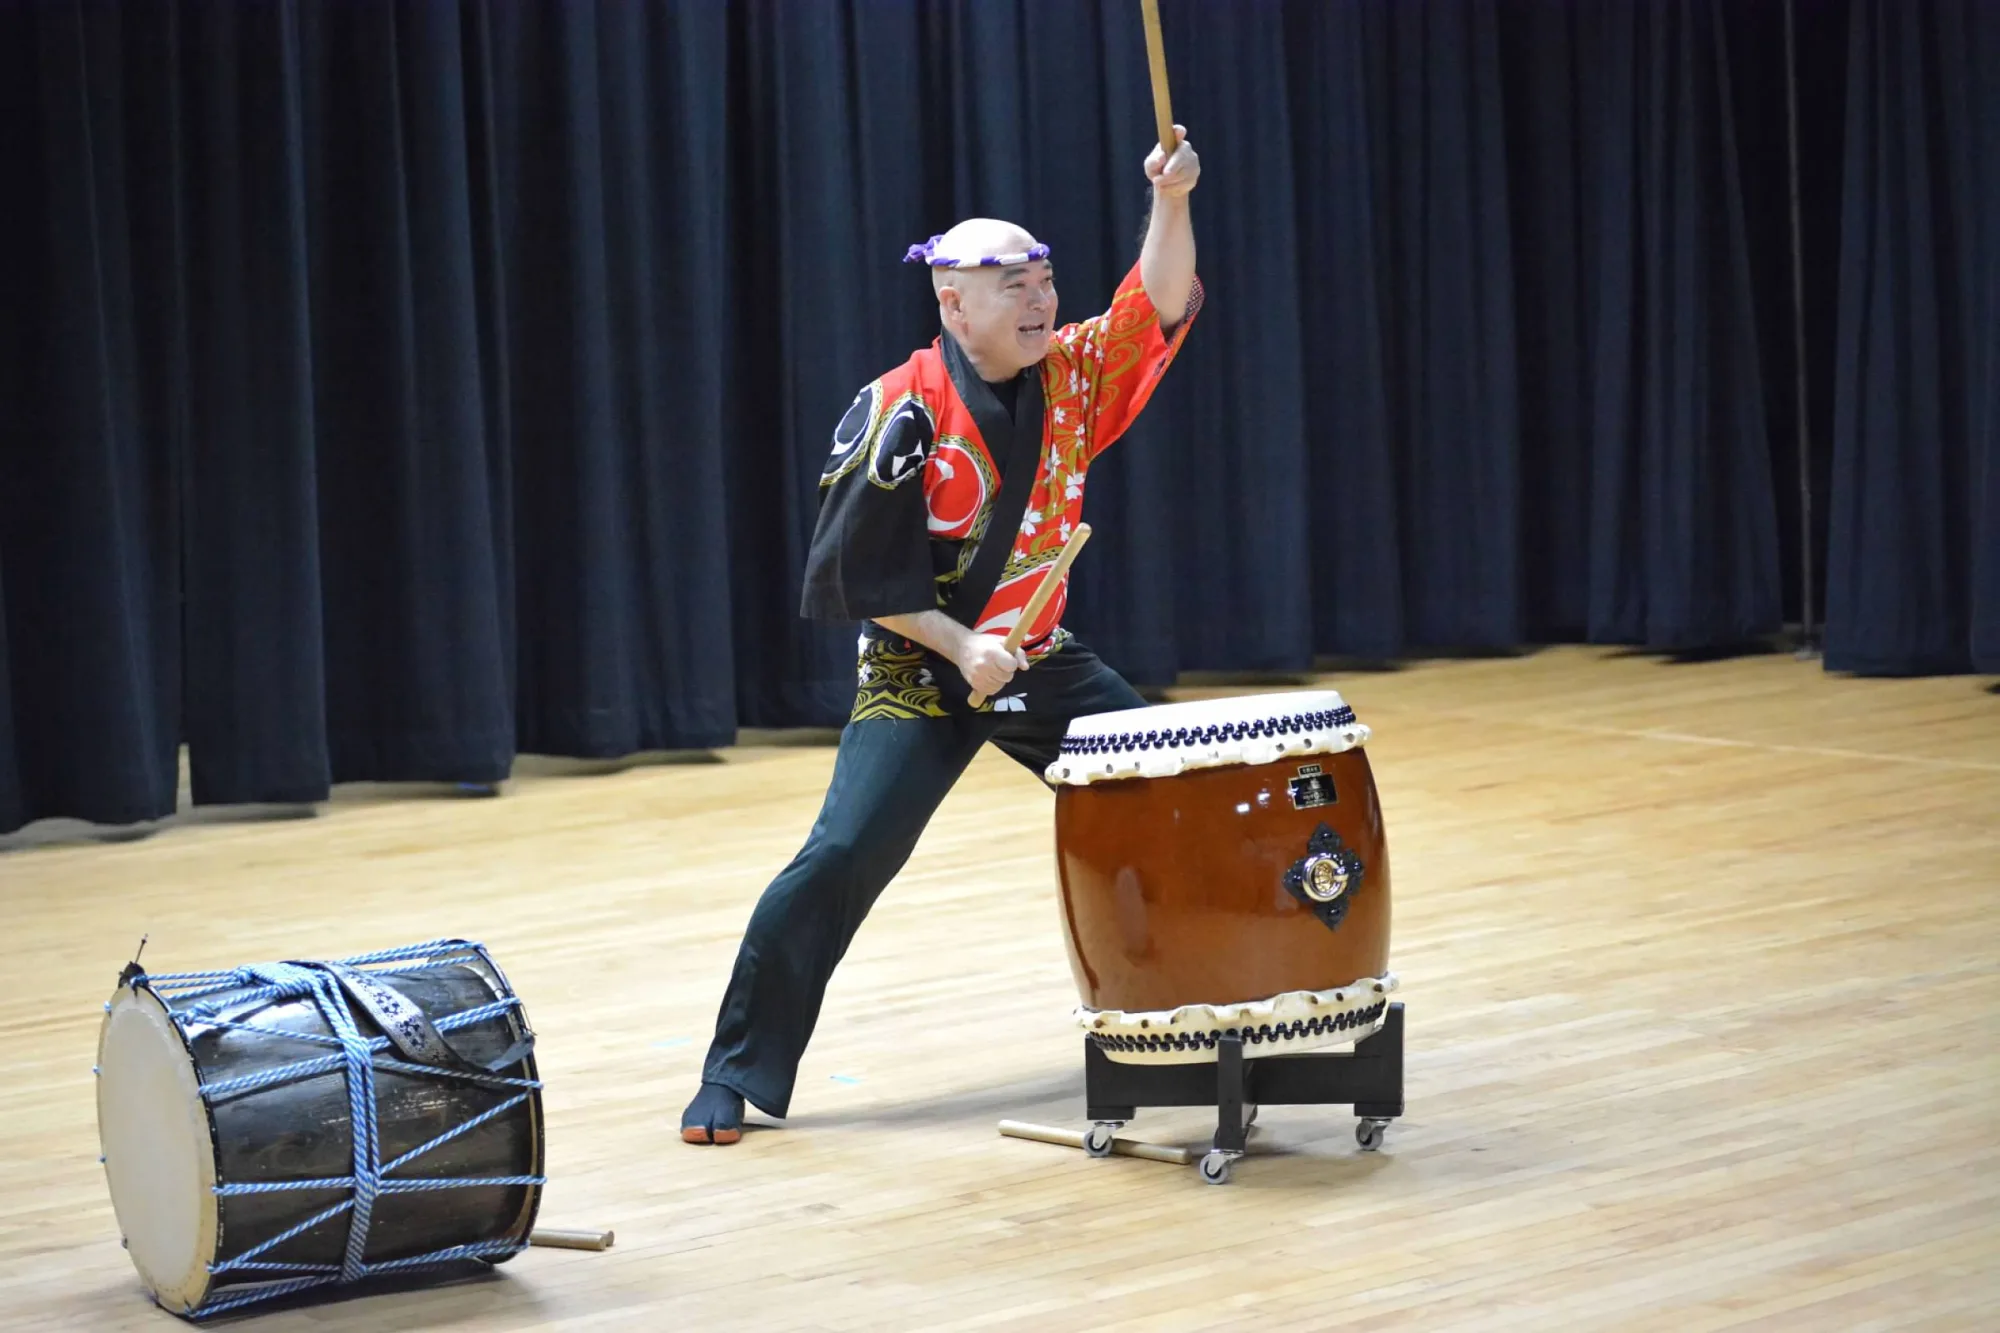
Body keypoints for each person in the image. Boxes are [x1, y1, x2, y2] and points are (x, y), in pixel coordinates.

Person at [682, 126, 1205, 1145]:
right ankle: (733, 1070)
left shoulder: (1073, 373)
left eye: (1044, 280)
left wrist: (1173, 199)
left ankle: (1185, 1020)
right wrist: (961, 646)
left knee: (1169, 793)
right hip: (920, 665)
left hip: (1034, 654)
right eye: (1012, 287)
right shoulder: (896, 411)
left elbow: (1157, 302)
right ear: (953, 305)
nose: (1040, 301)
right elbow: (861, 581)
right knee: (841, 852)